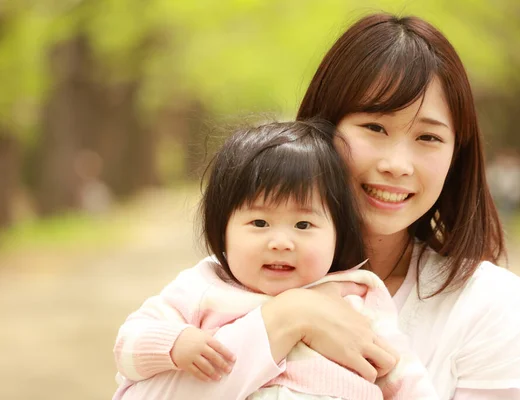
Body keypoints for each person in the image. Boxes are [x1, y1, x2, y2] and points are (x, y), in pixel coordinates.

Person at [115, 12, 520, 399]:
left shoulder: (486, 305)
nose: (397, 164)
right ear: (319, 128)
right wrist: (287, 319)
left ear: (458, 156)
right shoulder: (225, 284)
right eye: (375, 127)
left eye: (429, 137)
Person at [113, 120, 438, 399]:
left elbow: (401, 375)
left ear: (338, 232)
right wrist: (175, 344)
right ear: (222, 229)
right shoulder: (202, 288)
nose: (281, 242)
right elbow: (128, 348)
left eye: (303, 225)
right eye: (259, 223)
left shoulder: (358, 296)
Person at [486, 147, 520, 227]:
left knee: (508, 214)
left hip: (512, 198)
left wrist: (517, 195)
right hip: (497, 197)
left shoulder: (518, 173)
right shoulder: (495, 170)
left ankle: (507, 227)